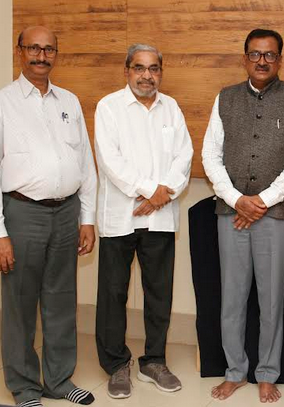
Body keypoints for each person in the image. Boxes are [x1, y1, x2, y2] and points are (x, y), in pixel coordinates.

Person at [0, 26, 97, 407]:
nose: (41, 56)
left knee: (61, 301)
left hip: (66, 213)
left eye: (49, 49)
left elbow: (85, 163)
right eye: (34, 48)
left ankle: (59, 380)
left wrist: (88, 217)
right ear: (20, 51)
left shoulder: (69, 102)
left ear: (56, 54)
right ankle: (25, 387)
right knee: (20, 305)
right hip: (22, 214)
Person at [202, 29, 284, 403]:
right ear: (245, 58)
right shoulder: (225, 98)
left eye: (269, 55)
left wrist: (261, 200)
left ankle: (267, 373)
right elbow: (210, 155)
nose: (262, 61)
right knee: (232, 298)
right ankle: (235, 371)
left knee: (271, 299)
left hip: (274, 214)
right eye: (255, 54)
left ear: (280, 59)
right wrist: (237, 199)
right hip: (230, 211)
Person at [93, 44, 193, 399]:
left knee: (159, 293)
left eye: (153, 69)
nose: (146, 75)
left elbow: (184, 156)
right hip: (120, 217)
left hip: (160, 219)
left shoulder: (172, 108)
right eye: (139, 68)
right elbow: (111, 161)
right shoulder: (109, 107)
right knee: (113, 294)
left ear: (160, 72)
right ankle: (116, 365)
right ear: (127, 71)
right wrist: (153, 191)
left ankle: (154, 361)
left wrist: (162, 195)